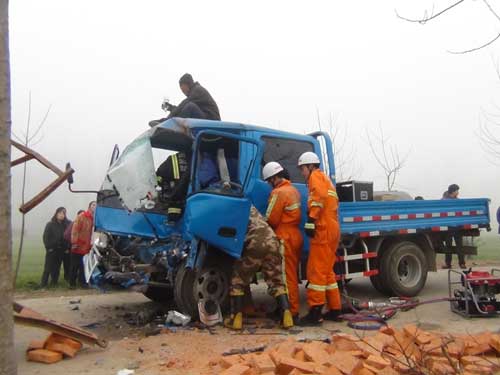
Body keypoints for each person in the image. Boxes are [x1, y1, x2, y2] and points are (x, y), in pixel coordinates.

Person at [225, 206, 293, 330]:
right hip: (273, 241)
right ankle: (286, 316)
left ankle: (235, 319)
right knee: (276, 281)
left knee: (238, 279)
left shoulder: (233, 208)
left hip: (256, 244)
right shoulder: (250, 207)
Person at [297, 151, 342, 326]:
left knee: (316, 271)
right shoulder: (326, 179)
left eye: (302, 169)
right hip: (332, 228)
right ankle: (335, 310)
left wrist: (311, 219)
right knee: (327, 271)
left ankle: (315, 313)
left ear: (310, 166)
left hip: (323, 229)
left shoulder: (315, 177)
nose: (302, 173)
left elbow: (318, 197)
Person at [262, 162, 303, 323]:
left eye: (268, 181)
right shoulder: (293, 190)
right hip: (295, 235)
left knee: (286, 277)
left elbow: (271, 218)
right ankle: (283, 308)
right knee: (289, 274)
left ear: (273, 178)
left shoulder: (278, 193)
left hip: (285, 236)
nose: (268, 184)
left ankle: (291, 312)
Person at [149, 73, 220, 126]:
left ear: (188, 84)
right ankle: (166, 122)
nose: (183, 91)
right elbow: (182, 109)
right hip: (206, 118)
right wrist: (171, 108)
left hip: (212, 122)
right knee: (187, 107)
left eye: (183, 88)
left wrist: (166, 120)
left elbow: (184, 104)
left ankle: (167, 124)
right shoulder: (194, 93)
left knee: (189, 106)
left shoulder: (198, 90)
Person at [41, 207, 70, 287]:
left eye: (63, 213)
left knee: (57, 269)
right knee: (48, 268)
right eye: (60, 213)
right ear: (56, 213)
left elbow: (68, 236)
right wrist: (49, 247)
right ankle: (43, 284)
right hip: (52, 249)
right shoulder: (50, 224)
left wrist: (67, 248)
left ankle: (54, 283)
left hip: (62, 250)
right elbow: (45, 237)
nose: (62, 215)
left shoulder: (66, 224)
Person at [70, 201, 96, 288]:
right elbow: (75, 230)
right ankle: (72, 283)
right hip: (79, 245)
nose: (95, 207)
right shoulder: (82, 216)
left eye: (96, 205)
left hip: (88, 246)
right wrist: (74, 242)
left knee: (84, 266)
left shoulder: (95, 218)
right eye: (93, 205)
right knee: (75, 265)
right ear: (89, 206)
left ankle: (83, 283)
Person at [441, 184, 465, 269]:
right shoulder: (444, 201)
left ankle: (462, 263)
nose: (458, 192)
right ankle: (448, 264)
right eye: (457, 191)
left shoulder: (458, 201)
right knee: (448, 246)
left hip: (457, 227)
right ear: (453, 191)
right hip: (448, 227)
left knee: (460, 246)